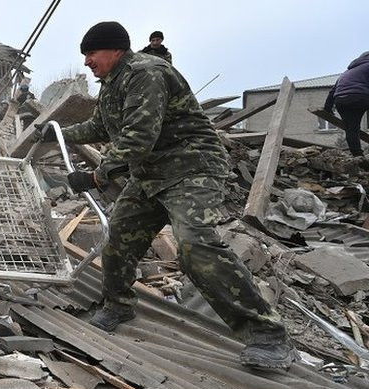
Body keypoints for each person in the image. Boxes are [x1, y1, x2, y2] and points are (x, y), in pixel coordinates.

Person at [34, 21, 292, 369]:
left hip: (191, 169)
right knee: (119, 237)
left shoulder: (147, 73)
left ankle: (267, 335)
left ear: (116, 50)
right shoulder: (112, 85)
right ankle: (118, 305)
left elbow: (139, 137)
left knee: (194, 243)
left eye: (91, 54)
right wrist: (57, 134)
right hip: (150, 176)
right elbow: (101, 127)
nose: (87, 62)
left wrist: (97, 175)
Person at [324, 51, 369, 157]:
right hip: (359, 97)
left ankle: (358, 156)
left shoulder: (345, 73)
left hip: (341, 101)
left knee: (352, 129)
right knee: (353, 127)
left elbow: (332, 91)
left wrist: (327, 108)